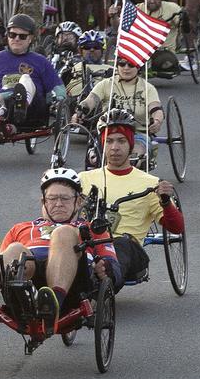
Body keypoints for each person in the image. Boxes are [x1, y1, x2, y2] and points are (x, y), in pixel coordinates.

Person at [0, 168, 120, 333]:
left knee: (63, 233)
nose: (58, 204)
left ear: (78, 202)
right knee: (15, 249)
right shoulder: (21, 228)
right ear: (44, 202)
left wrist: (107, 269)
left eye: (65, 198)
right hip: (26, 278)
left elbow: (115, 268)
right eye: (52, 198)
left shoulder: (92, 229)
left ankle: (52, 303)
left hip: (73, 283)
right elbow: (4, 258)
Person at [78, 110, 184, 287]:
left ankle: (104, 283)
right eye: (109, 141)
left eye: (121, 141)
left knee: (121, 243)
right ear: (103, 144)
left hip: (127, 250)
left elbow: (177, 227)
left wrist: (165, 201)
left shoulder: (150, 183)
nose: (115, 148)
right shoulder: (83, 178)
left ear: (131, 144)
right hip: (89, 244)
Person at [0, 13, 66, 159]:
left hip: (33, 109)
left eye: (22, 36)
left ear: (30, 38)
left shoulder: (40, 61)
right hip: (3, 108)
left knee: (25, 78)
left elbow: (58, 86)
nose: (16, 39)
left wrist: (58, 98)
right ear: (7, 36)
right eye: (12, 34)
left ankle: (21, 105)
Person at [75, 58, 164, 158]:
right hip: (108, 132)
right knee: (94, 158)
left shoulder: (148, 88)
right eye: (122, 64)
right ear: (117, 66)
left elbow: (156, 108)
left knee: (134, 158)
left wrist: (157, 121)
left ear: (139, 67)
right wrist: (80, 111)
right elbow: (90, 100)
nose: (126, 68)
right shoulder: (106, 84)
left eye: (131, 64)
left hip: (137, 134)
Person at [138, 0, 187, 70]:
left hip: (164, 51)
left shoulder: (172, 8)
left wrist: (184, 19)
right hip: (142, 50)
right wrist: (114, 16)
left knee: (165, 65)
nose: (152, 0)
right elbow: (120, 28)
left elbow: (183, 25)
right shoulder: (138, 8)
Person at [63, 29, 111, 100]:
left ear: (102, 51)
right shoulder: (71, 69)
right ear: (80, 51)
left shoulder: (112, 70)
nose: (92, 50)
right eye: (87, 47)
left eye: (96, 47)